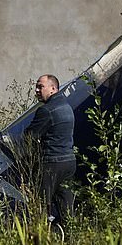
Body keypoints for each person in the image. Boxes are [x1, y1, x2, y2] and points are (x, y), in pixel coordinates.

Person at [24, 74, 76, 225]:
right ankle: (70, 239)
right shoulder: (67, 107)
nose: (37, 90)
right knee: (66, 207)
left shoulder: (47, 110)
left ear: (53, 88)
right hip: (69, 162)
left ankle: (40, 238)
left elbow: (29, 136)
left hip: (52, 163)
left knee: (40, 205)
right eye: (37, 86)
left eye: (41, 87)